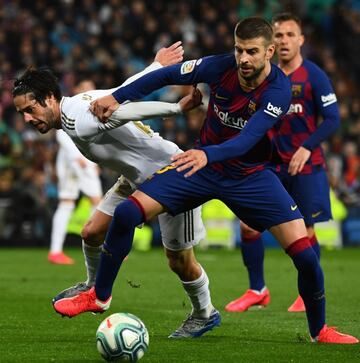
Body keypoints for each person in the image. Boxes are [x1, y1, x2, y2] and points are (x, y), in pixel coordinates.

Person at [53, 17, 358, 344]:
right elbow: (168, 73)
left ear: (269, 51)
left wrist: (207, 155)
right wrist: (119, 97)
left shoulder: (279, 91)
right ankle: (100, 297)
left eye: (252, 52)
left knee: (306, 257)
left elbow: (248, 139)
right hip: (202, 168)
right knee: (127, 213)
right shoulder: (220, 66)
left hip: (249, 175)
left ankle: (320, 331)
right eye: (239, 50)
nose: (243, 59)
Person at [13, 42, 221, 339]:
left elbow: (124, 111)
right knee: (91, 233)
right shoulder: (80, 103)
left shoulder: (77, 119)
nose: (27, 120)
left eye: (30, 110)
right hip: (135, 177)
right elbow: (123, 93)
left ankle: (205, 313)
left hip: (171, 173)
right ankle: (93, 285)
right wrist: (159, 75)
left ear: (49, 98)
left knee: (180, 261)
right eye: (21, 113)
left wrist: (172, 104)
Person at [225, 13, 341, 314]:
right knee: (248, 225)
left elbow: (332, 119)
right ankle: (257, 289)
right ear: (271, 44)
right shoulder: (264, 76)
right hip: (269, 166)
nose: (284, 40)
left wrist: (306, 147)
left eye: (290, 34)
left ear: (301, 39)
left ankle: (308, 294)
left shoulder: (313, 75)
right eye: (279, 35)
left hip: (305, 166)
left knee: (305, 231)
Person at [48, 129, 102, 264]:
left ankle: (55, 251)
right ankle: (101, 247)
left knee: (68, 204)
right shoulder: (69, 109)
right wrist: (77, 156)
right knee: (97, 202)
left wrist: (93, 160)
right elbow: (61, 128)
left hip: (75, 158)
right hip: (76, 159)